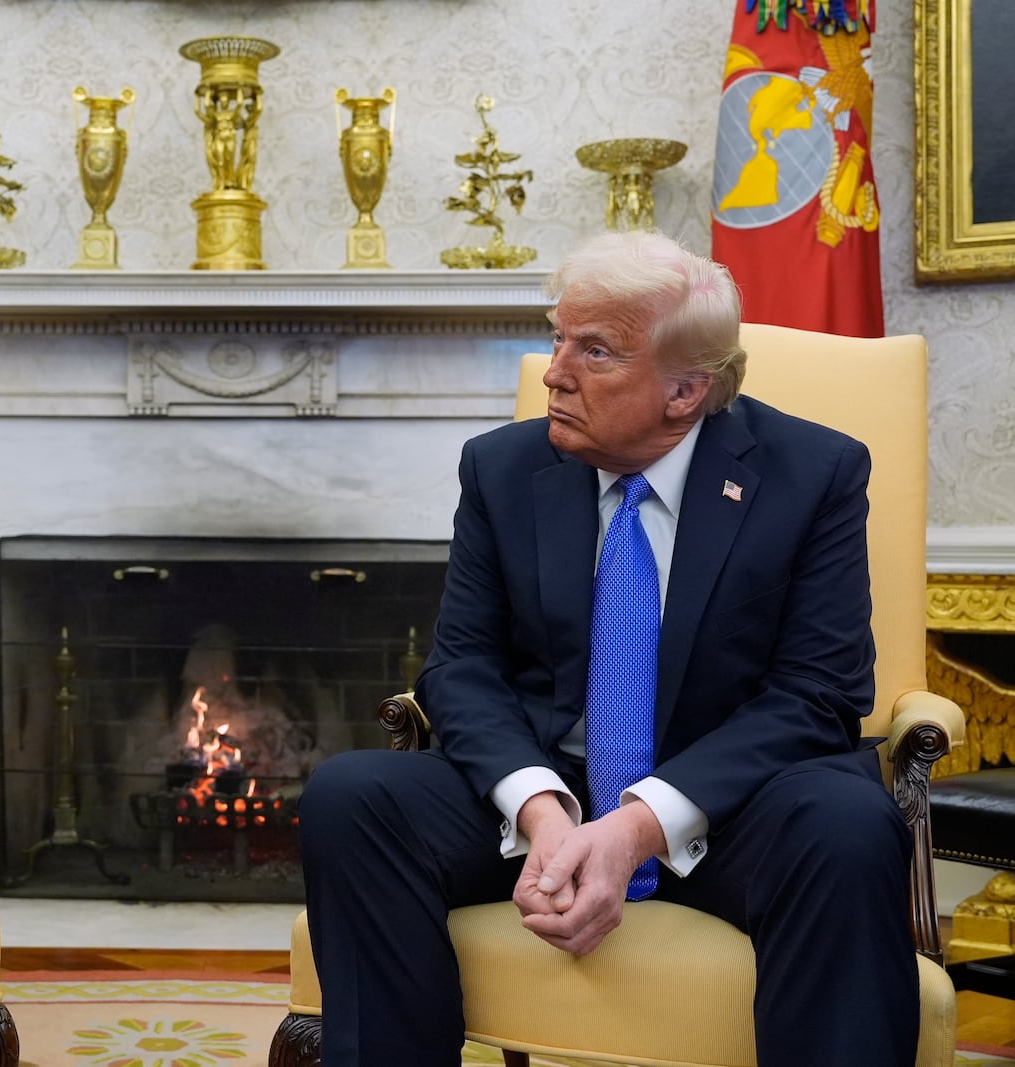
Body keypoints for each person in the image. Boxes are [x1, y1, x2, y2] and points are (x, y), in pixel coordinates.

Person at [299, 230, 917, 1066]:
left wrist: (638, 825)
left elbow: (818, 692)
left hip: (731, 809)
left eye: (594, 350)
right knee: (353, 794)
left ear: (686, 390)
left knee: (848, 823)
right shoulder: (500, 469)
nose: (554, 371)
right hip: (555, 790)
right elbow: (462, 666)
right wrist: (541, 810)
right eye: (557, 337)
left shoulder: (813, 473)